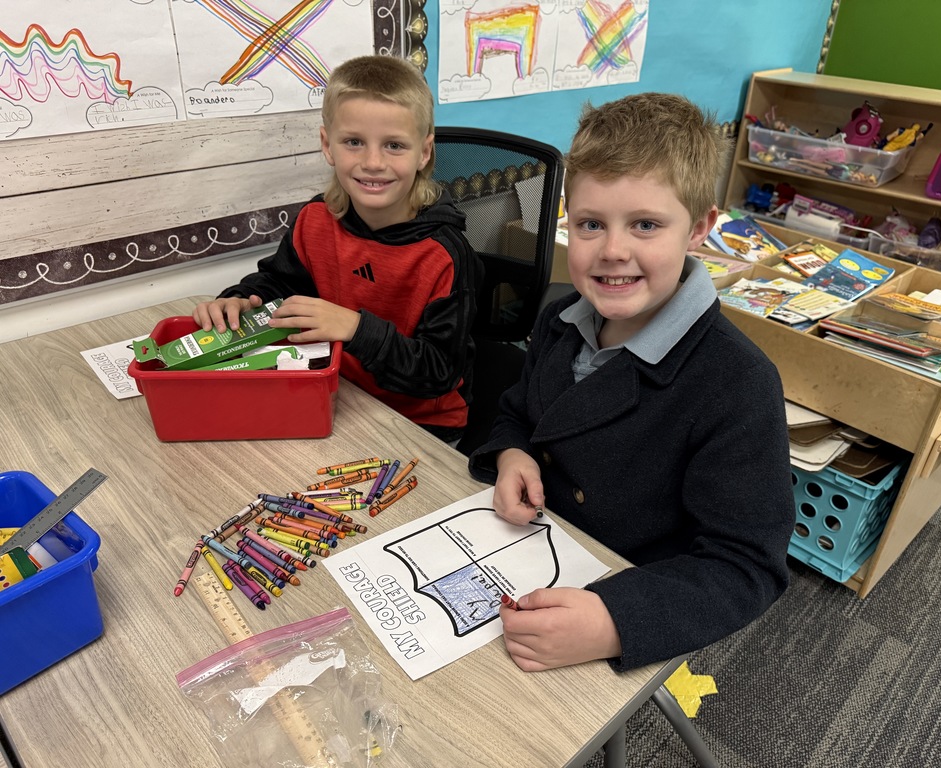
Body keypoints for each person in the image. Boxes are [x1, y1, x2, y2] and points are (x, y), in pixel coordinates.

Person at [469, 93, 795, 672]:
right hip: (530, 556)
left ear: (698, 228)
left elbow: (746, 566)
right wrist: (512, 452)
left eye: (645, 225)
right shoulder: (559, 317)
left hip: (625, 592)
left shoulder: (738, 383)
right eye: (591, 224)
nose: (613, 251)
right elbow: (520, 411)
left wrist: (614, 621)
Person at [193, 55, 480, 443]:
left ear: (425, 153)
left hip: (422, 424)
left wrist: (356, 329)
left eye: (394, 145)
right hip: (339, 396)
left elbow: (438, 372)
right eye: (354, 142)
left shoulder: (444, 254)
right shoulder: (315, 220)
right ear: (328, 145)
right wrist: (243, 298)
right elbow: (280, 281)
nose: (373, 162)